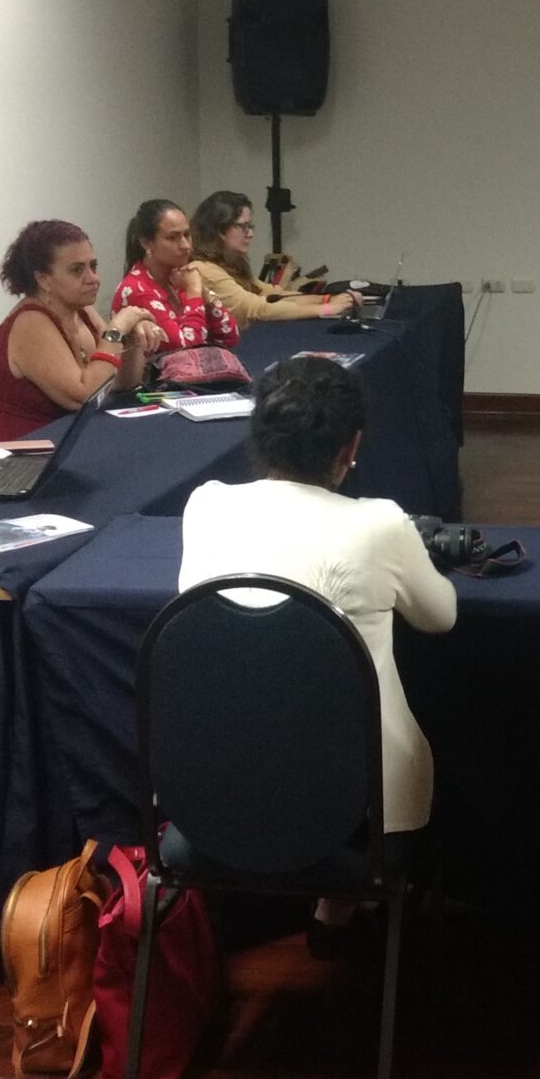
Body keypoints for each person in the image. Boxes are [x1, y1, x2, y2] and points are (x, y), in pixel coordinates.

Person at [176, 354, 453, 949]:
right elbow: (441, 616)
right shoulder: (381, 523)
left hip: (213, 795)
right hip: (360, 807)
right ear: (351, 448)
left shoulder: (205, 505)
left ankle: (333, 913)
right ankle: (341, 912)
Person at [0, 220, 158, 442]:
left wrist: (132, 338)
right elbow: (85, 396)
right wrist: (116, 329)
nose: (94, 278)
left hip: (63, 439)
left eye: (93, 266)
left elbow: (120, 383)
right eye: (77, 270)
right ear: (43, 280)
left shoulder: (81, 310)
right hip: (14, 450)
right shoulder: (31, 322)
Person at [190, 191, 352, 326]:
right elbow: (255, 309)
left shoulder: (231, 263)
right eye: (243, 226)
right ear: (219, 229)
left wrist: (326, 299)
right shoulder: (203, 269)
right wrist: (327, 309)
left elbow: (273, 295)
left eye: (250, 226)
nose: (250, 234)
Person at [114, 200, 243, 360]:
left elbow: (230, 337)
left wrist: (205, 295)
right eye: (172, 238)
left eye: (187, 235)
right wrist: (194, 293)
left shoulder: (178, 278)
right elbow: (187, 351)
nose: (185, 245)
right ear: (147, 243)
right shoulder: (136, 289)